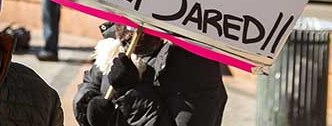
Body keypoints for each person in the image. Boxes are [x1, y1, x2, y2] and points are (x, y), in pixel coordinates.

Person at [73, 24, 227, 126]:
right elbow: (91, 83)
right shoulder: (116, 40)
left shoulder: (195, 63)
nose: (127, 29)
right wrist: (88, 107)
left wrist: (132, 92)